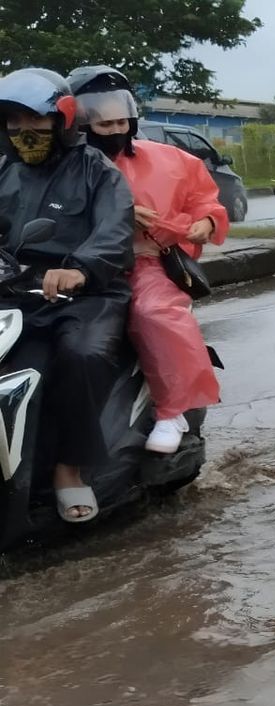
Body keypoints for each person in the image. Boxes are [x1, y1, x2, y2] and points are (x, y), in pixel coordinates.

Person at [68, 65, 228, 455]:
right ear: (80, 119)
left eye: (121, 119)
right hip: (73, 267)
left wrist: (207, 221)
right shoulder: (63, 166)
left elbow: (205, 199)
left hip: (149, 264)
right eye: (103, 122)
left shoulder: (173, 160)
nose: (114, 128)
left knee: (154, 312)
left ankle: (172, 410)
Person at [0, 68, 134, 522]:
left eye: (33, 121)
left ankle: (69, 470)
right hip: (16, 295)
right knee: (21, 369)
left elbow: (115, 231)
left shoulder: (98, 170)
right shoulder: (4, 170)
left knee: (80, 356)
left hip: (88, 295)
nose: (23, 132)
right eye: (12, 123)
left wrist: (79, 269)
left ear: (62, 119)